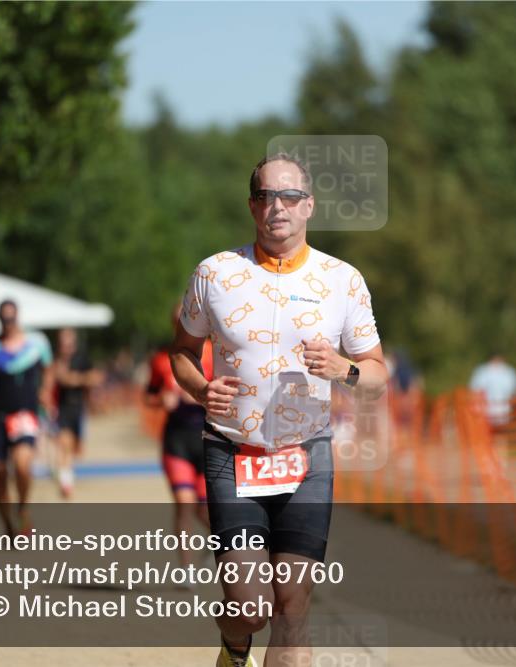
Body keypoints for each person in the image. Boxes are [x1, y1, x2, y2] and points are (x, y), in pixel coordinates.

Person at [169, 153, 388, 667]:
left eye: (290, 196)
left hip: (307, 455)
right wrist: (201, 390)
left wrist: (345, 370)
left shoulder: (342, 280)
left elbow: (376, 374)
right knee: (250, 606)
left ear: (309, 205)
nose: (278, 207)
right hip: (233, 451)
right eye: (267, 196)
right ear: (252, 206)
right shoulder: (216, 273)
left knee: (293, 609)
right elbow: (179, 353)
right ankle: (233, 642)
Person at [0, 300, 54, 537]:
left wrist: (46, 390)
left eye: (11, 319)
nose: (8, 324)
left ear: (18, 318)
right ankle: (9, 526)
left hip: (24, 415)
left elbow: (49, 369)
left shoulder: (36, 344)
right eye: (3, 320)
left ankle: (23, 508)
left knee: (22, 464)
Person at [147, 305, 215, 574]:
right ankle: (186, 569)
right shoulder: (162, 359)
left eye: (185, 319)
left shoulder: (214, 352)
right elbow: (148, 395)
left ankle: (220, 541)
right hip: (176, 439)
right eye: (176, 321)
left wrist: (201, 395)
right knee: (184, 505)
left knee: (205, 511)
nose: (181, 324)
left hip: (209, 436)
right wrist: (160, 400)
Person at [53, 328, 104, 499]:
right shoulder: (56, 360)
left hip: (78, 408)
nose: (66, 347)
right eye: (63, 344)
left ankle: (67, 475)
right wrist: (78, 379)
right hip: (62, 409)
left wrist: (76, 379)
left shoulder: (82, 359)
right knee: (64, 444)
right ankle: (65, 481)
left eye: (69, 343)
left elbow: (95, 377)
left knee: (76, 449)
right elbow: (61, 378)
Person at [469, 352, 516, 471]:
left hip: (492, 412)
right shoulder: (509, 372)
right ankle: (498, 465)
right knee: (498, 439)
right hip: (497, 412)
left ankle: (494, 465)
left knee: (492, 439)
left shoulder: (483, 371)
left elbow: (474, 391)